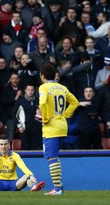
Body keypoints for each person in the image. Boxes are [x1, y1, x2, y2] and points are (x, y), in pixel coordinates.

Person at [39, 64, 79, 195]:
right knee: (55, 157)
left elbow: (43, 102)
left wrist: (45, 118)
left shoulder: (44, 87)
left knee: (51, 157)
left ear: (42, 75)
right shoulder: (62, 87)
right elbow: (75, 102)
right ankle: (59, 187)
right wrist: (65, 115)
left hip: (51, 128)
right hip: (62, 125)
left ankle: (57, 188)